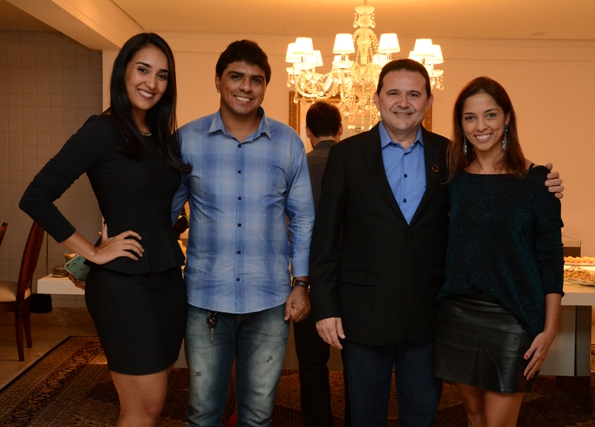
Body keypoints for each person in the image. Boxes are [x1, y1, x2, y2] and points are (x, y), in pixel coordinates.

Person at [309, 59, 564, 427]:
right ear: (377, 99)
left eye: (414, 94)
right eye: (393, 93)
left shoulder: (450, 157)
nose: (403, 102)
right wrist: (325, 306)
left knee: (422, 417)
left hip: (430, 317)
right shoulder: (346, 156)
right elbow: (326, 235)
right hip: (362, 315)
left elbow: (505, 182)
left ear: (429, 102)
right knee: (363, 416)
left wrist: (547, 182)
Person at [19, 33, 189, 427]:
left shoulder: (160, 136)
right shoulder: (102, 129)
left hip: (165, 280)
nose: (152, 82)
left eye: (162, 75)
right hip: (124, 286)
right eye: (143, 70)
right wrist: (92, 252)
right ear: (124, 71)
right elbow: (36, 196)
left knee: (154, 402)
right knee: (141, 409)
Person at [171, 40, 315, 427]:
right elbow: (163, 213)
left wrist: (301, 283)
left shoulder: (287, 143)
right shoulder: (187, 140)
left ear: (265, 86)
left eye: (257, 79)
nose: (246, 87)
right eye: (236, 76)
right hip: (206, 300)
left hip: (269, 302)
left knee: (258, 414)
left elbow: (303, 219)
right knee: (202, 413)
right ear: (218, 80)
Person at [434, 77, 563, 427]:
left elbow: (551, 258)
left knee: (499, 423)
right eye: (469, 118)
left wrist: (549, 330)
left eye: (490, 115)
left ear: (507, 117)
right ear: (460, 124)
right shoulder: (453, 180)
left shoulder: (537, 182)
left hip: (514, 316)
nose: (480, 126)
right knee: (474, 415)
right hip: (458, 312)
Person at [294, 101, 348, 427]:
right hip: (351, 279)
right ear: (340, 130)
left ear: (308, 132)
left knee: (312, 366)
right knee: (357, 364)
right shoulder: (356, 163)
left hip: (310, 276)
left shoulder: (299, 165)